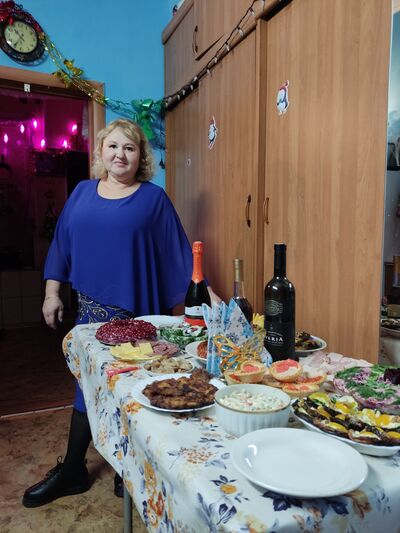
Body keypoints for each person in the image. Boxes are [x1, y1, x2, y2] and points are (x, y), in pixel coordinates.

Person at [22, 118, 220, 508]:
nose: (120, 154)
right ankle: (73, 469)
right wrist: (51, 293)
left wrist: (210, 296)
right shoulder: (81, 192)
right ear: (101, 151)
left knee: (134, 393)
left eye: (129, 148)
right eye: (113, 146)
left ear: (140, 156)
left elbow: (180, 253)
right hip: (90, 317)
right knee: (87, 388)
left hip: (140, 317)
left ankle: (126, 468)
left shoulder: (153, 199)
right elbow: (61, 244)